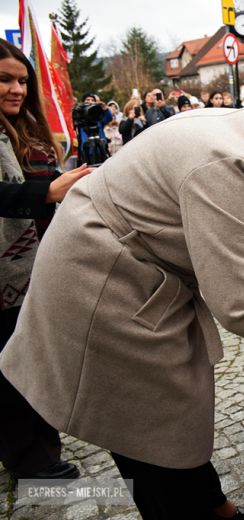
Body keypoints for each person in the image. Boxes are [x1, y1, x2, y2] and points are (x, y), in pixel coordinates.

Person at [0, 79, 244, 518]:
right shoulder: (231, 165)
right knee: (149, 427)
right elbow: (239, 307)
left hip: (137, 273)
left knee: (175, 416)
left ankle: (216, 508)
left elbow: (228, 241)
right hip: (103, 284)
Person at [0, 39, 93, 482]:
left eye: (21, 80)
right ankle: (31, 466)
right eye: (4, 79)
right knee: (9, 368)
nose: (16, 89)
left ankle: (44, 448)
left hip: (34, 268)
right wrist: (48, 191)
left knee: (36, 358)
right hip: (4, 278)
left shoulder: (26, 130)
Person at [77, 92, 114, 165]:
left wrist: (105, 109)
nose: (90, 102)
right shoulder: (81, 115)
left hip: (100, 147)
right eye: (87, 100)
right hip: (87, 149)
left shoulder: (98, 115)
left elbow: (108, 119)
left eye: (92, 100)